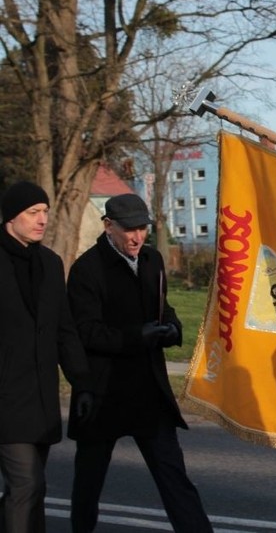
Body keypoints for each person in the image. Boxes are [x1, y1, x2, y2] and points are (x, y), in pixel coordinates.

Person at [66, 193, 212, 533]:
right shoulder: (86, 270)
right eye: (129, 229)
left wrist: (172, 327)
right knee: (88, 485)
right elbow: (85, 332)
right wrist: (136, 336)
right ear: (108, 226)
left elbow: (162, 306)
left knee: (175, 478)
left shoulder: (152, 260)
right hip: (102, 393)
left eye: (142, 229)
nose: (137, 237)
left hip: (149, 392)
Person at [0, 181, 92, 533]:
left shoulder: (50, 263)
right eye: (33, 213)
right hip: (5, 397)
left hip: (40, 398)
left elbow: (64, 329)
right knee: (27, 484)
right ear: (12, 217)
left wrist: (82, 382)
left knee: (31, 489)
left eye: (45, 213)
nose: (42, 220)